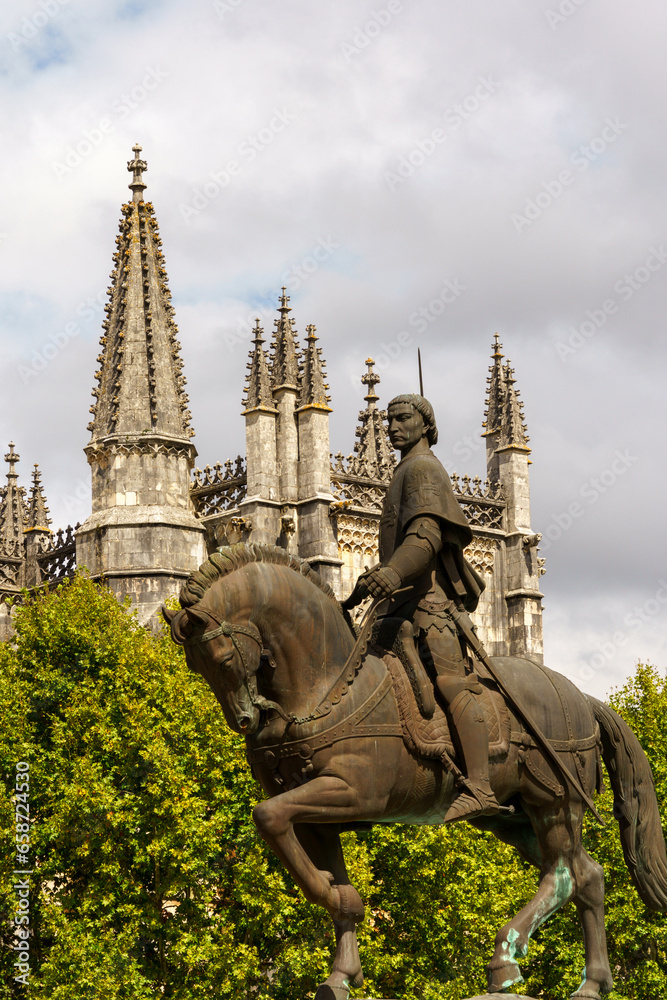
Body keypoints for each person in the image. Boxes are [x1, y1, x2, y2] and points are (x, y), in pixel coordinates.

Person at [348, 393, 501, 823]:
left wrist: (392, 574)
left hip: (428, 607)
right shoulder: (404, 469)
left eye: (403, 418)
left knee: (453, 684)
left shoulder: (423, 468)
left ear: (425, 424)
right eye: (389, 419)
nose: (393, 426)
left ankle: (481, 787)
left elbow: (426, 538)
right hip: (398, 606)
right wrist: (372, 580)